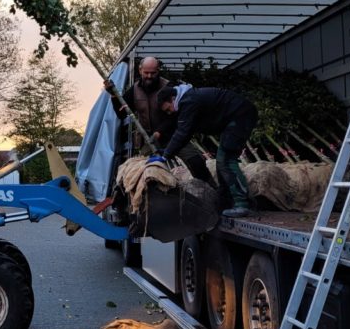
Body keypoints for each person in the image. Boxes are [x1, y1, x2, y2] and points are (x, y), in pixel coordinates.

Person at [103, 57, 212, 184]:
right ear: (140, 71)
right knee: (142, 171)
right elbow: (121, 114)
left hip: (173, 136)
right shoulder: (134, 90)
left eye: (153, 73)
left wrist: (159, 132)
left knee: (196, 162)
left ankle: (212, 191)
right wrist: (113, 96)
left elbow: (176, 115)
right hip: (149, 140)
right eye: (146, 73)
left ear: (158, 70)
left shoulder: (168, 86)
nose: (149, 76)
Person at [154, 84, 258, 217]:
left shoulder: (188, 101)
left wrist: (165, 156)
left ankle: (242, 204)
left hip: (240, 116)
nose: (170, 113)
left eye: (169, 109)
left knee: (226, 160)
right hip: (238, 117)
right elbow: (187, 133)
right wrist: (166, 152)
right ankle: (228, 200)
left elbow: (182, 133)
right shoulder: (188, 99)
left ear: (173, 98)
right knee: (222, 161)